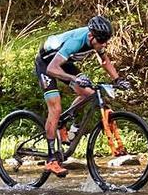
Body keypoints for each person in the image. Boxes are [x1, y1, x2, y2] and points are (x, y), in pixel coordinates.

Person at [35, 15, 129, 177]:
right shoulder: (76, 42)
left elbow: (104, 61)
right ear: (91, 36)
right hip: (47, 64)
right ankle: (51, 160)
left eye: (106, 41)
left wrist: (118, 79)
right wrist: (74, 78)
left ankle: (64, 122)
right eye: (101, 41)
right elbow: (52, 69)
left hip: (64, 63)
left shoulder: (96, 39)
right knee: (55, 108)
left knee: (90, 94)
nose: (103, 44)